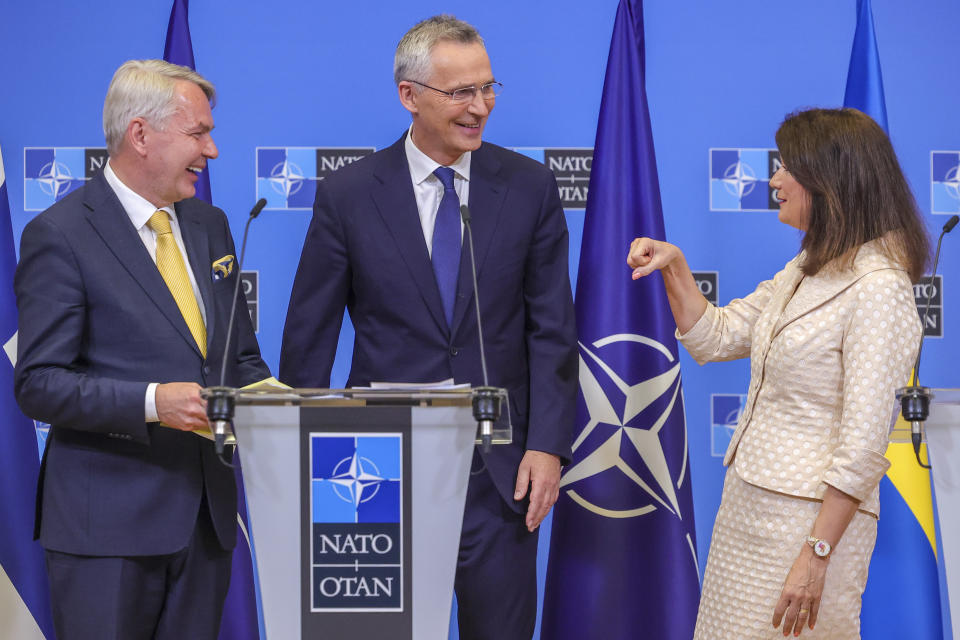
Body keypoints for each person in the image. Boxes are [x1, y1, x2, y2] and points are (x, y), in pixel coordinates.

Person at [279, 15, 577, 640]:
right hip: (371, 470)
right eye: (461, 93)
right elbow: (310, 337)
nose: (480, 108)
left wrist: (547, 445)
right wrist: (300, 460)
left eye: (488, 88)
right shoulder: (349, 194)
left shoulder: (528, 187)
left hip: (498, 471)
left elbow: (551, 330)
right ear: (409, 95)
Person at [628, 107, 929, 639]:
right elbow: (716, 336)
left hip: (808, 528)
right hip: (748, 506)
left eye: (788, 166)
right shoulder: (809, 266)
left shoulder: (879, 288)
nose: (774, 179)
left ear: (831, 180)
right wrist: (675, 267)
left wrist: (816, 556)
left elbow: (861, 449)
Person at [14, 59, 270, 640]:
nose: (213, 151)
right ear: (140, 134)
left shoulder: (211, 224)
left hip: (205, 523)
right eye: (198, 133)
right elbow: (39, 382)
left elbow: (241, 360)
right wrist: (154, 402)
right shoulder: (60, 235)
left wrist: (285, 410)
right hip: (106, 530)